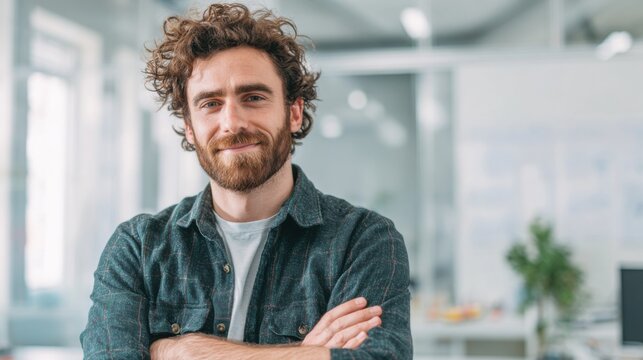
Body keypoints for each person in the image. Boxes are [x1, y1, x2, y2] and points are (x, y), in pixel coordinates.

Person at [80, 3, 411, 359]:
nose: (232, 122)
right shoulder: (138, 248)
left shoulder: (361, 240)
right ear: (190, 128)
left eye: (253, 98)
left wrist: (181, 351)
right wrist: (304, 353)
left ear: (294, 112)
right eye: (210, 103)